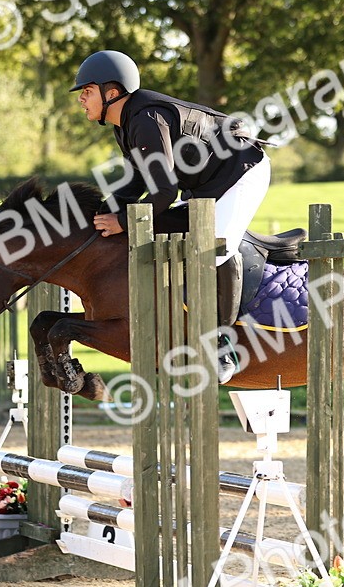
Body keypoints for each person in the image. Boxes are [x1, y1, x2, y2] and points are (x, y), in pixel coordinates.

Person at [70, 50, 270, 384]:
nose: (82, 100)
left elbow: (165, 193)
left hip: (242, 173)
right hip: (208, 185)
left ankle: (221, 344)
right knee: (166, 227)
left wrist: (121, 221)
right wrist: (101, 214)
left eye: (86, 91)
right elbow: (136, 181)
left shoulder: (146, 119)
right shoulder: (126, 125)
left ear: (112, 92)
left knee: (215, 247)